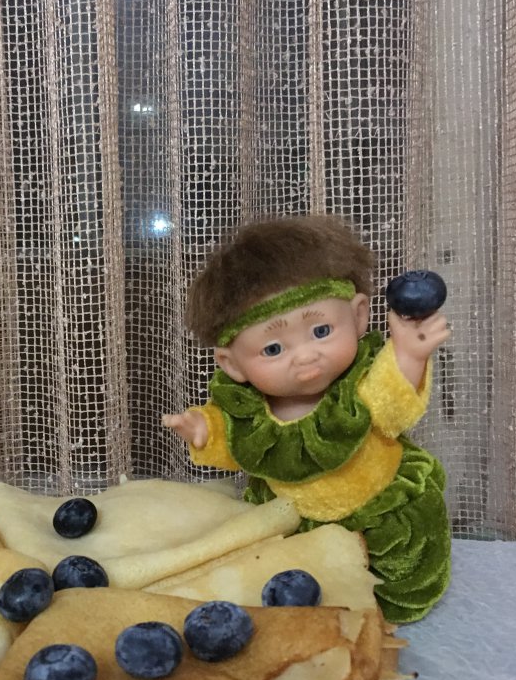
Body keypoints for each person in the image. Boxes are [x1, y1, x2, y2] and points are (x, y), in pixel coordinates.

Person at [162, 215, 451, 623]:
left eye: (320, 332)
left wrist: (409, 357)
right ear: (232, 364)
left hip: (382, 510)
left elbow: (391, 411)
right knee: (296, 597)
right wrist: (204, 432)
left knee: (404, 588)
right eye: (273, 349)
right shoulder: (249, 409)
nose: (304, 356)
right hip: (295, 526)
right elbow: (237, 441)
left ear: (358, 315)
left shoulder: (361, 382)